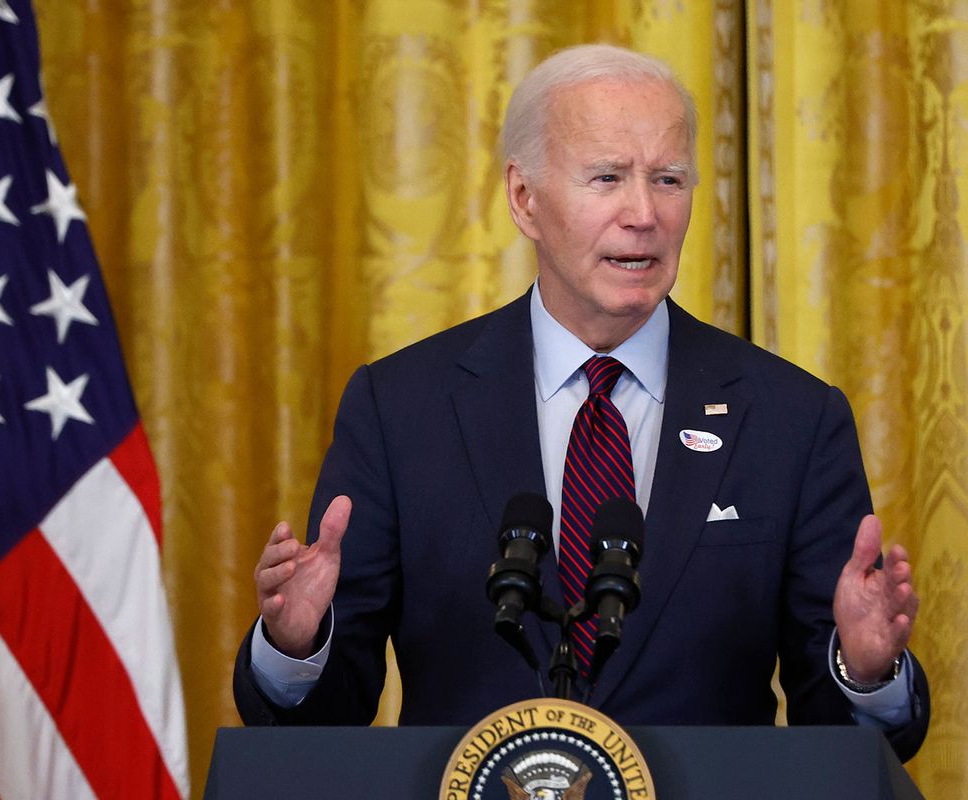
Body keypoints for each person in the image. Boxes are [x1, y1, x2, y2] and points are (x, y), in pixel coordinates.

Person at [233, 43, 929, 762]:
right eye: (607, 177)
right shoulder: (401, 407)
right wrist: (296, 646)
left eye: (669, 178)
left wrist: (865, 670)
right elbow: (323, 722)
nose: (644, 213)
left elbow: (846, 747)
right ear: (524, 199)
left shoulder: (792, 419)